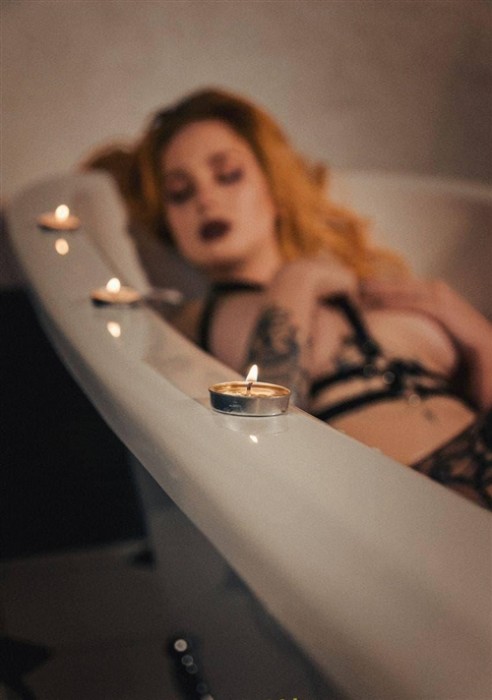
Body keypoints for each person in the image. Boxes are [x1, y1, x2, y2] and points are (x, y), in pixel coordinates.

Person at [83, 87, 492, 510]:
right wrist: (297, 279)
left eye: (228, 175)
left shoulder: (377, 289)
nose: (206, 199)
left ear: (273, 188)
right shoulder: (189, 320)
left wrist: (472, 330)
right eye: (180, 193)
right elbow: (267, 430)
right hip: (407, 503)